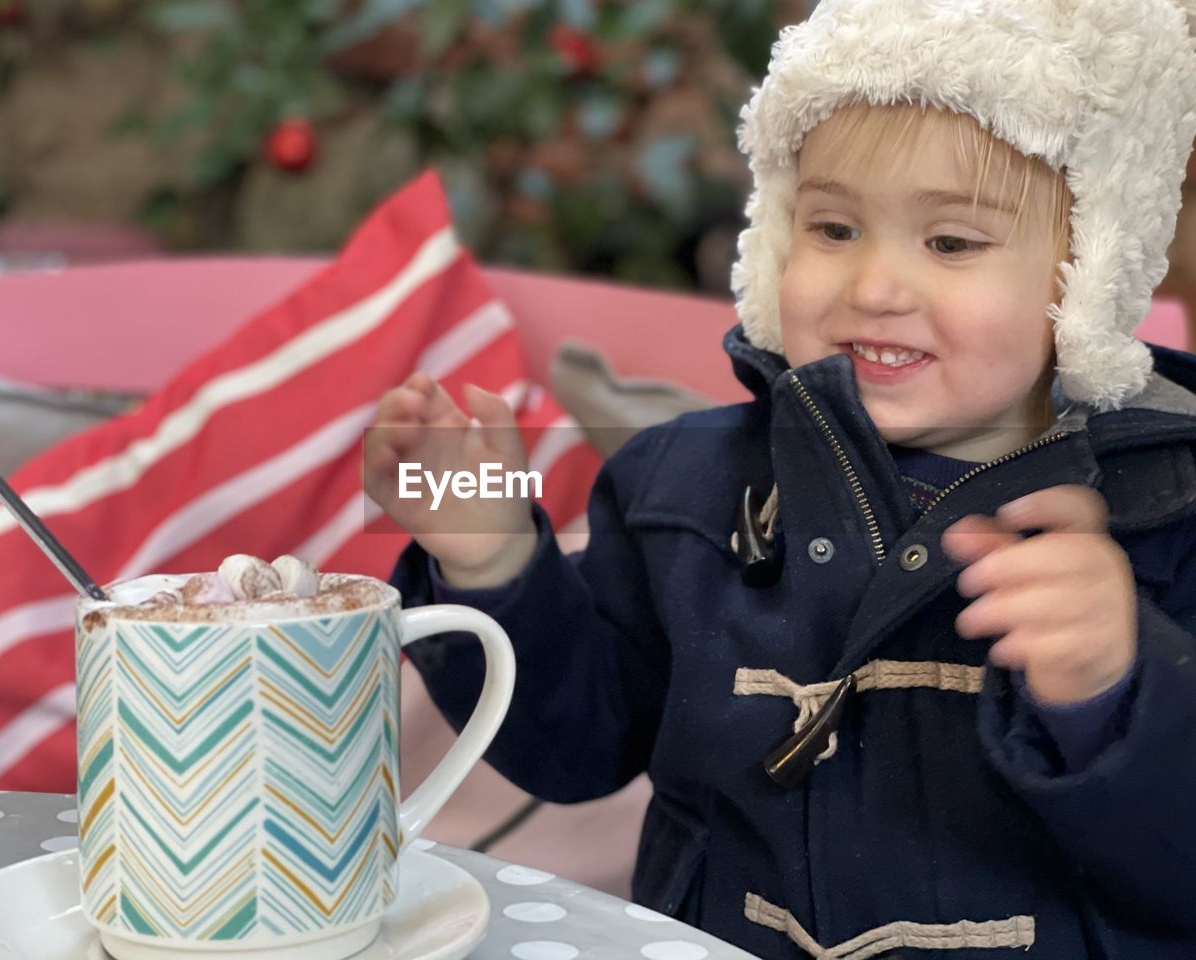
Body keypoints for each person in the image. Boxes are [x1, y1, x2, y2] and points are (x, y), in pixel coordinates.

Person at [363, 1, 1196, 956]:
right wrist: (492, 555)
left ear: (1085, 273)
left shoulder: (1167, 517)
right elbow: (573, 748)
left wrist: (1118, 687)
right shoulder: (681, 488)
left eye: (951, 243)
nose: (874, 286)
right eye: (834, 228)